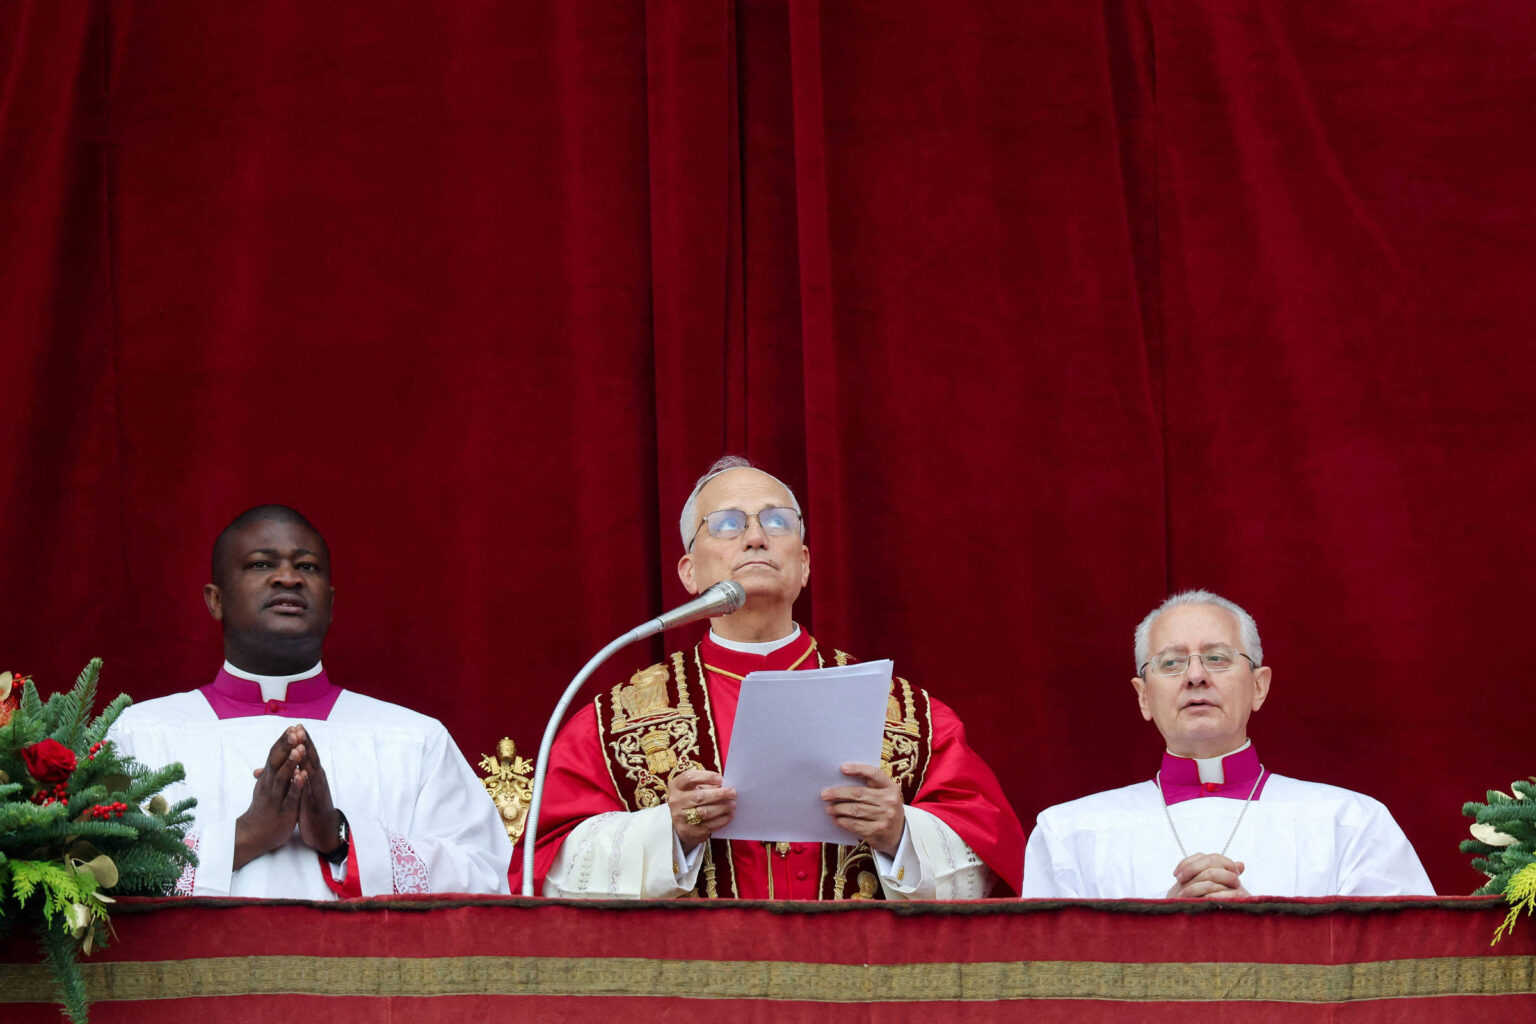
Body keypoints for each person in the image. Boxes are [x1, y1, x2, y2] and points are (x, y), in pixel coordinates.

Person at [524, 457, 1025, 899]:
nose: (756, 536)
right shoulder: (616, 721)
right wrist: (668, 833)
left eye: (778, 521)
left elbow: (994, 852)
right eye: (726, 524)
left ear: (804, 565)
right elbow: (543, 872)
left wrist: (900, 835)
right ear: (688, 573)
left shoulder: (906, 713)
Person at [111, 505, 511, 898]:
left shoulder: (415, 739)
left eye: (307, 567)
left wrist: (341, 837)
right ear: (215, 600)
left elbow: (489, 878)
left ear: (332, 603)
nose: (288, 578)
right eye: (261, 564)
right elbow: (94, 875)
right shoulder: (139, 734)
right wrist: (245, 836)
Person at [1021, 589, 1433, 898]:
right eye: (1170, 662)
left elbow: (1401, 974)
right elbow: (1048, 993)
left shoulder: (1352, 823)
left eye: (1217, 658)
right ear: (1143, 696)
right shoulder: (1068, 834)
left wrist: (1264, 934)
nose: (1196, 676)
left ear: (1258, 686)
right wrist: (1151, 936)